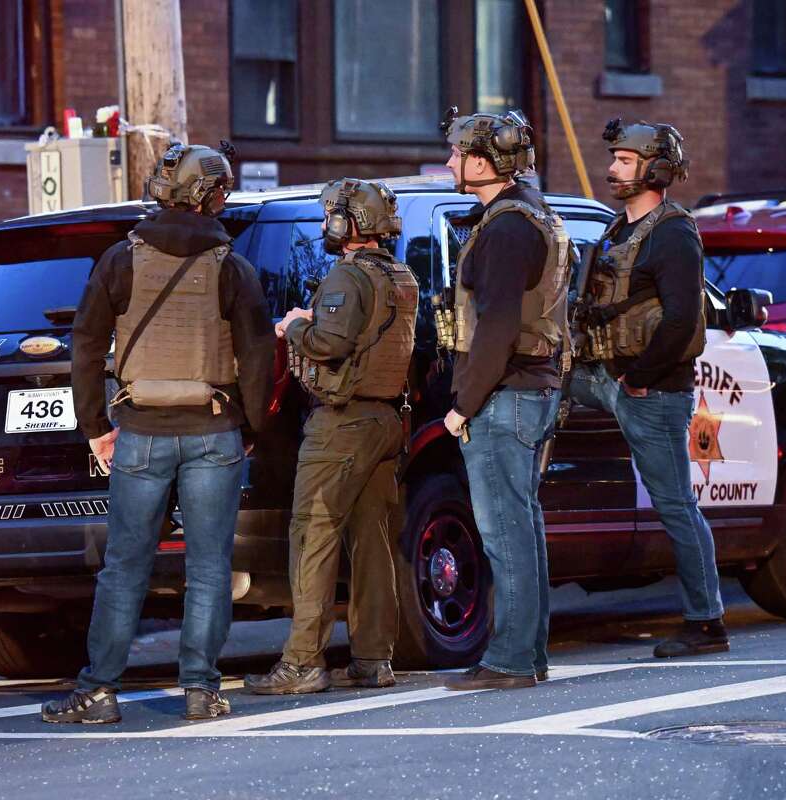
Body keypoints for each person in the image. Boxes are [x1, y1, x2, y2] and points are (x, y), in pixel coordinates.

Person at [42, 142, 274, 723]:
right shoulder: (232, 267)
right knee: (209, 566)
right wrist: (249, 428)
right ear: (208, 196)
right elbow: (257, 353)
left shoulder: (121, 260)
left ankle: (98, 691)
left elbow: (88, 345)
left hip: (140, 429)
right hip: (213, 429)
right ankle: (201, 690)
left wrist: (95, 426)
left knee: (125, 565)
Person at [244, 178, 418, 695]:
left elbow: (328, 341)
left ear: (349, 223)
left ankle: (301, 662)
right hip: (385, 421)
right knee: (373, 543)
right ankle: (372, 659)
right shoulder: (400, 274)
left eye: (329, 217)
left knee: (313, 536)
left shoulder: (348, 276)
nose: (325, 225)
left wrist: (295, 325)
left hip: (341, 423)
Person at [571, 119, 726, 658]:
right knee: (544, 390)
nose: (611, 168)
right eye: (613, 158)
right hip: (606, 377)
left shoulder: (675, 233)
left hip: (653, 392)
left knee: (675, 505)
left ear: (655, 169)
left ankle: (706, 623)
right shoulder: (618, 228)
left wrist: (638, 379)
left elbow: (683, 320)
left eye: (625, 160)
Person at [437, 109, 571, 692]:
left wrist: (462, 402)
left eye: (457, 153)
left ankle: (512, 659)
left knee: (505, 531)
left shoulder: (508, 226)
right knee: (523, 525)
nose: (449, 162)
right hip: (529, 389)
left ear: (485, 163)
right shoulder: (529, 216)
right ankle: (527, 653)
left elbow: (494, 327)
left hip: (505, 393)